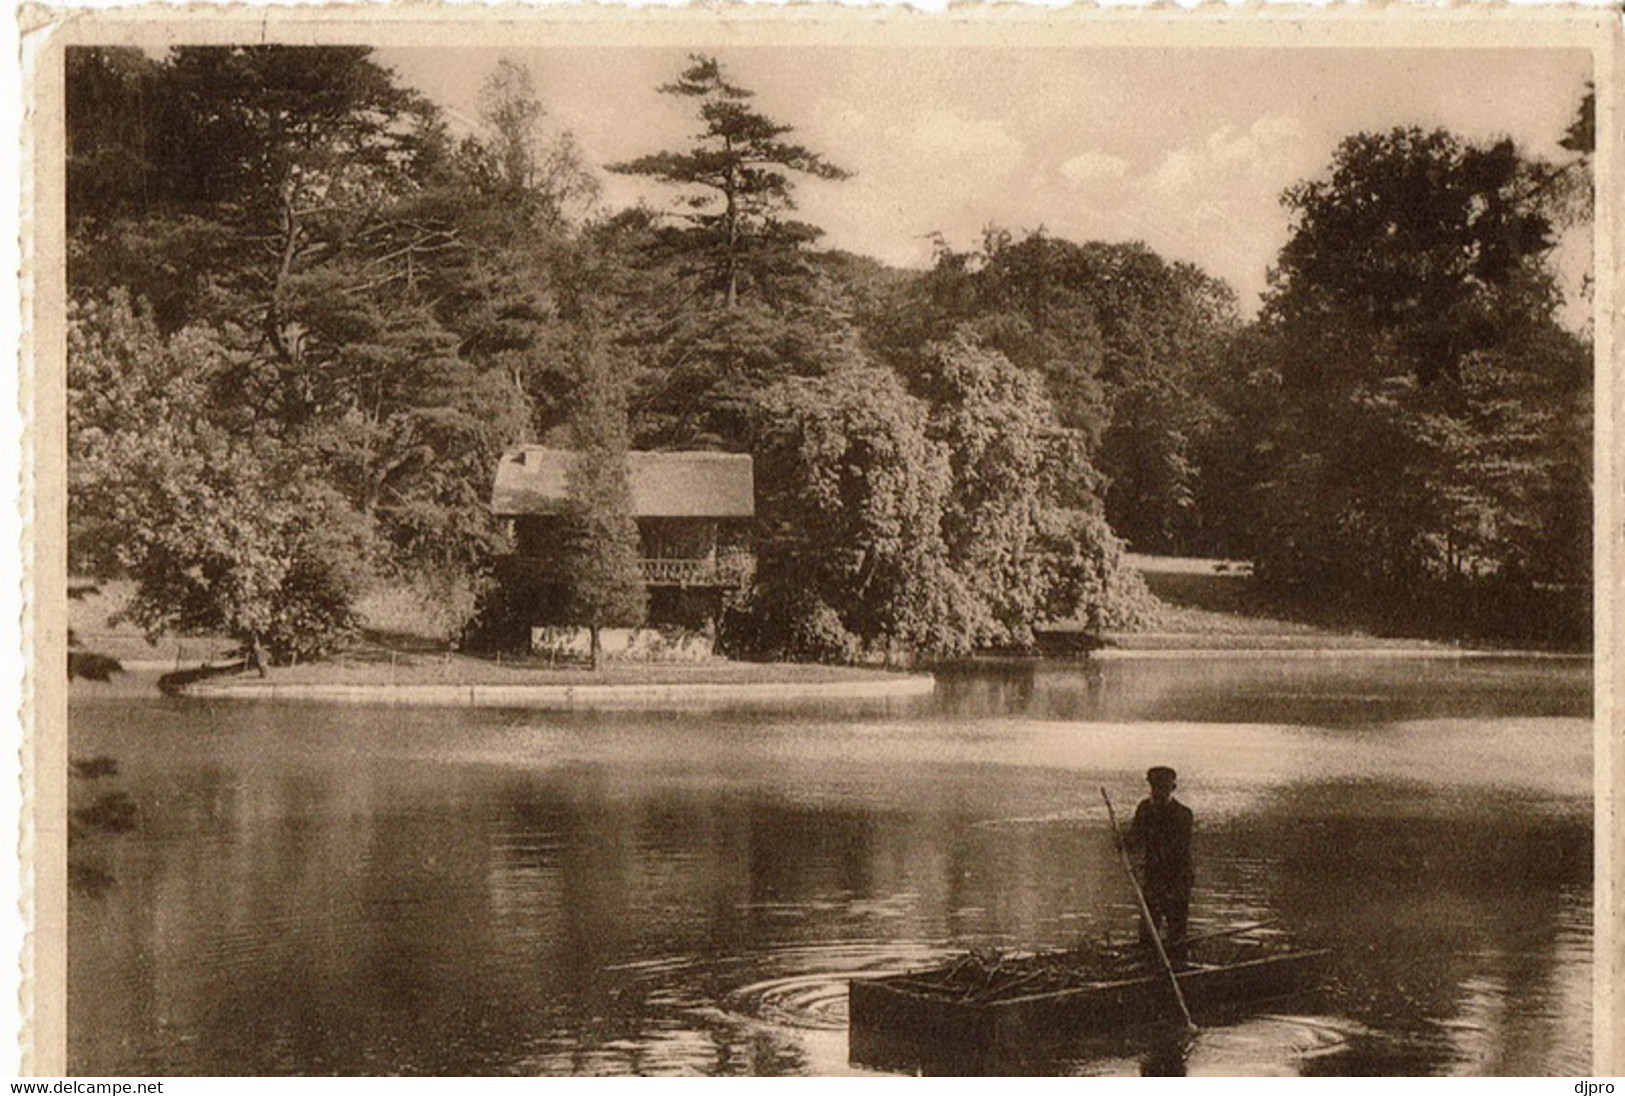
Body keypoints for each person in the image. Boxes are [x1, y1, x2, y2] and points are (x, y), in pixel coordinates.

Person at [1122, 765, 1194, 967]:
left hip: (1177, 879)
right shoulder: (1145, 808)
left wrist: (1174, 888)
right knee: (1148, 931)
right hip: (1154, 879)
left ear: (1173, 788)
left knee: (1176, 931)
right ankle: (1147, 971)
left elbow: (1178, 853)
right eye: (1155, 787)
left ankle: (1179, 969)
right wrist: (1123, 843)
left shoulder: (1183, 815)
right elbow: (1135, 837)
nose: (1158, 791)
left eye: (1163, 787)